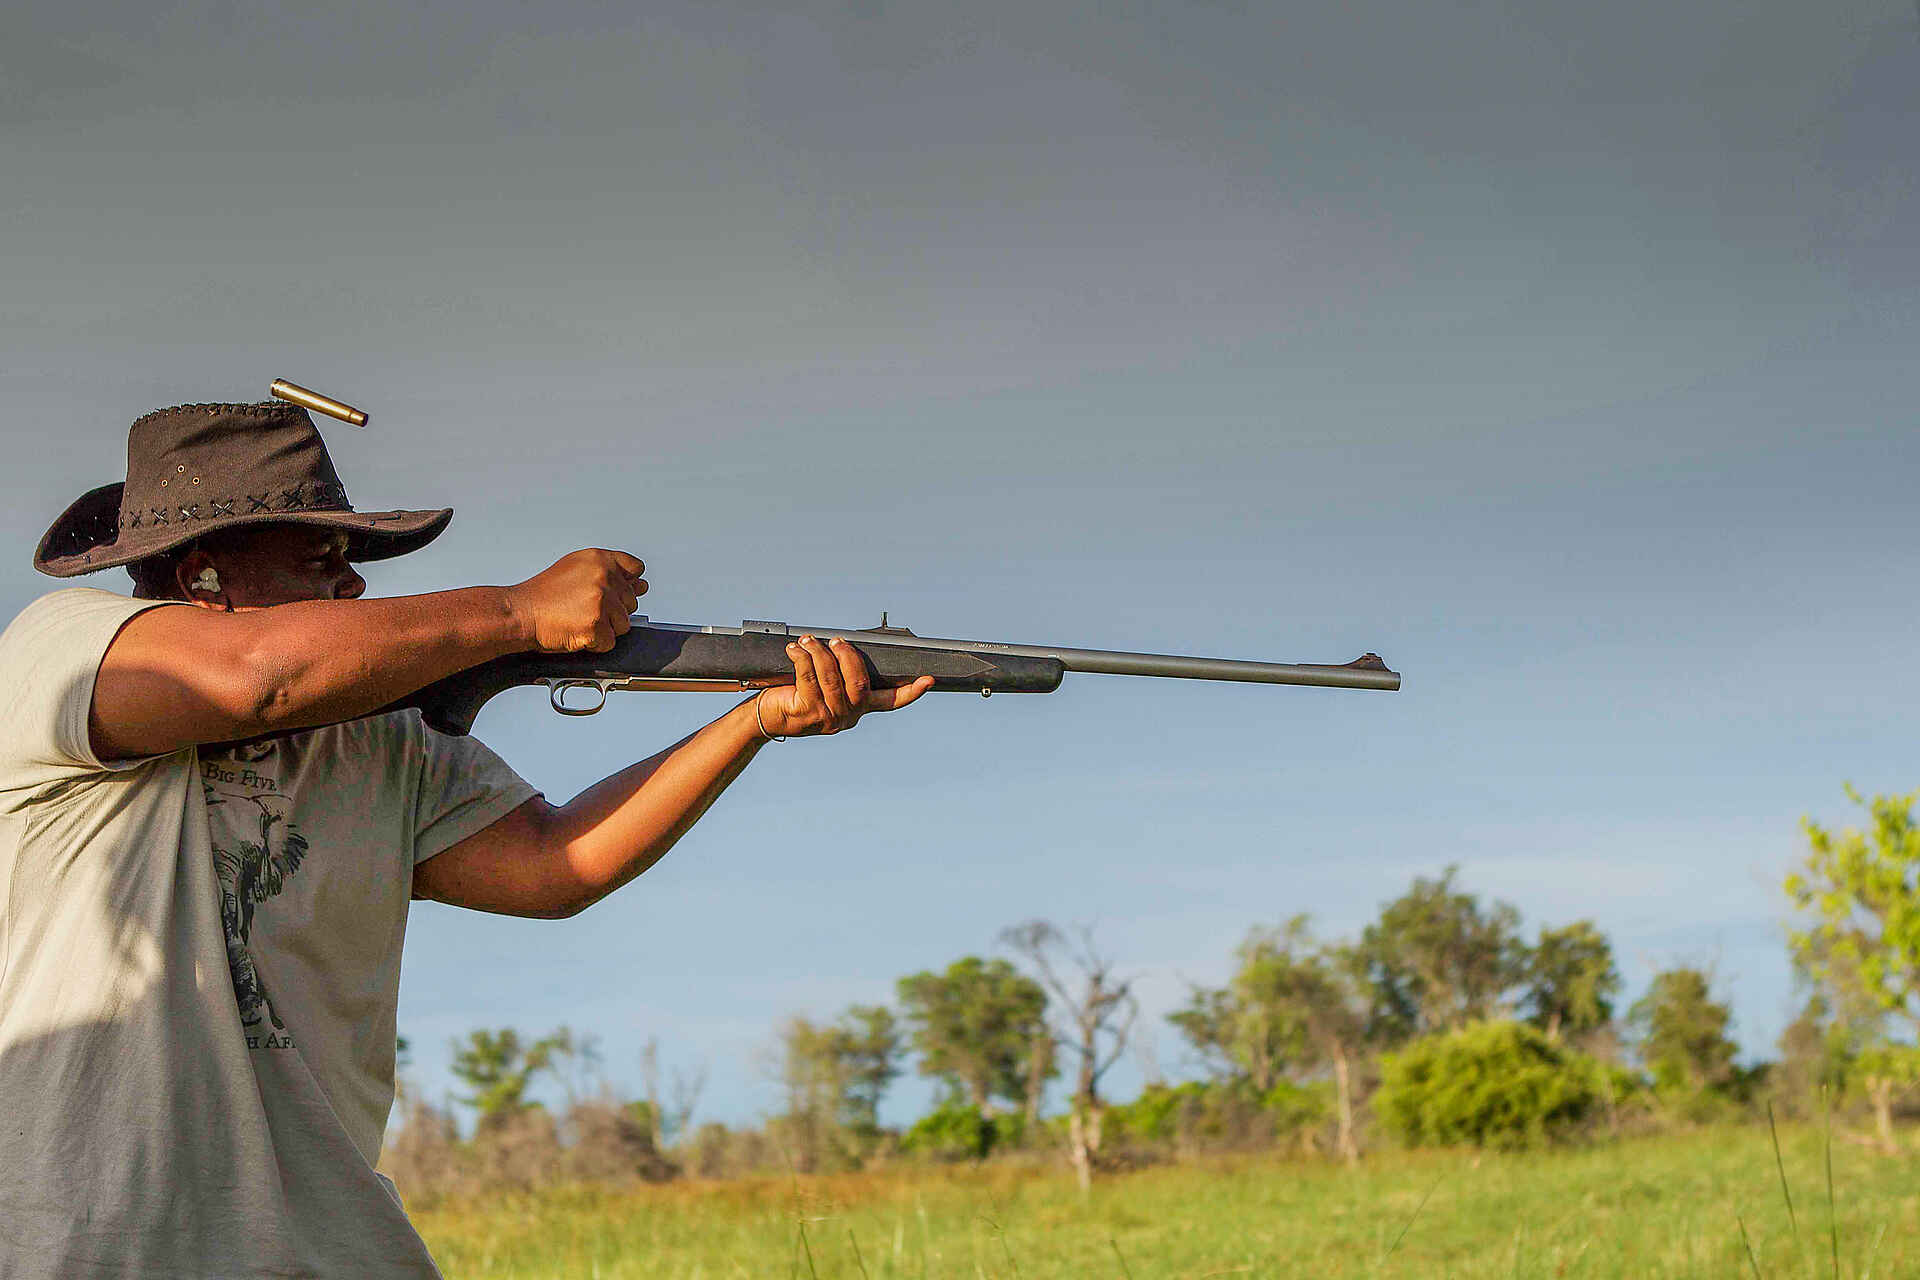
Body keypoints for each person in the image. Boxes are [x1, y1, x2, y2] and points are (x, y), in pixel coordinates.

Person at [0, 397, 932, 1277]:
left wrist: (752, 721)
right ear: (201, 575)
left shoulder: (382, 732)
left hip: (334, 1249)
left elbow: (555, 865)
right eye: (321, 557)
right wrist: (518, 613)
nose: (354, 583)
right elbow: (255, 681)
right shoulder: (66, 645)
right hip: (91, 1245)